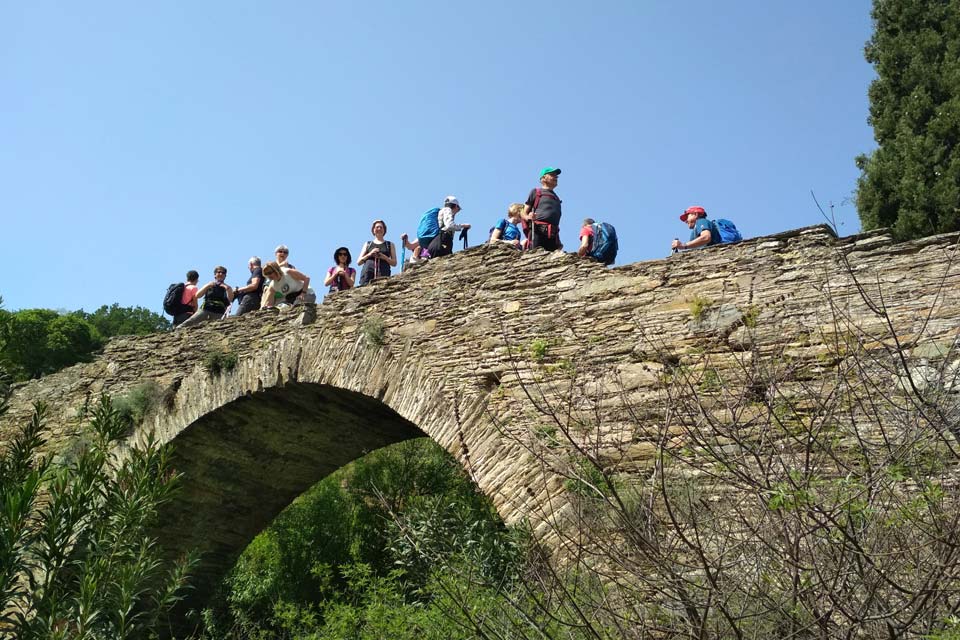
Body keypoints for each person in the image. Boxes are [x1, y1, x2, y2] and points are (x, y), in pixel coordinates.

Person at [522, 167, 562, 251]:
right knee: (535, 256)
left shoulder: (556, 197)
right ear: (543, 178)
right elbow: (523, 212)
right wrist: (528, 217)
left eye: (556, 176)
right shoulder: (536, 192)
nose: (555, 177)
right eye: (552, 175)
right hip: (537, 230)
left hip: (553, 233)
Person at [357, 219, 397, 285]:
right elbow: (359, 262)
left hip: (384, 272)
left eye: (381, 227)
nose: (379, 229)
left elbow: (394, 263)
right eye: (377, 227)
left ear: (384, 230)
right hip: (367, 273)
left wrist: (384, 257)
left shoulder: (390, 244)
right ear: (373, 230)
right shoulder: (368, 244)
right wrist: (370, 254)